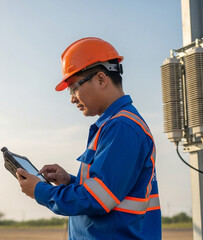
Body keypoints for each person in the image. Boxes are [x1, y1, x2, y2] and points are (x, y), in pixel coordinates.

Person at [16, 37, 161, 239]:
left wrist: (40, 191)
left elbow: (98, 199)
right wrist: (69, 181)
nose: (72, 98)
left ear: (101, 79)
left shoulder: (121, 127)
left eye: (74, 87)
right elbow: (109, 190)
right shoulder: (114, 125)